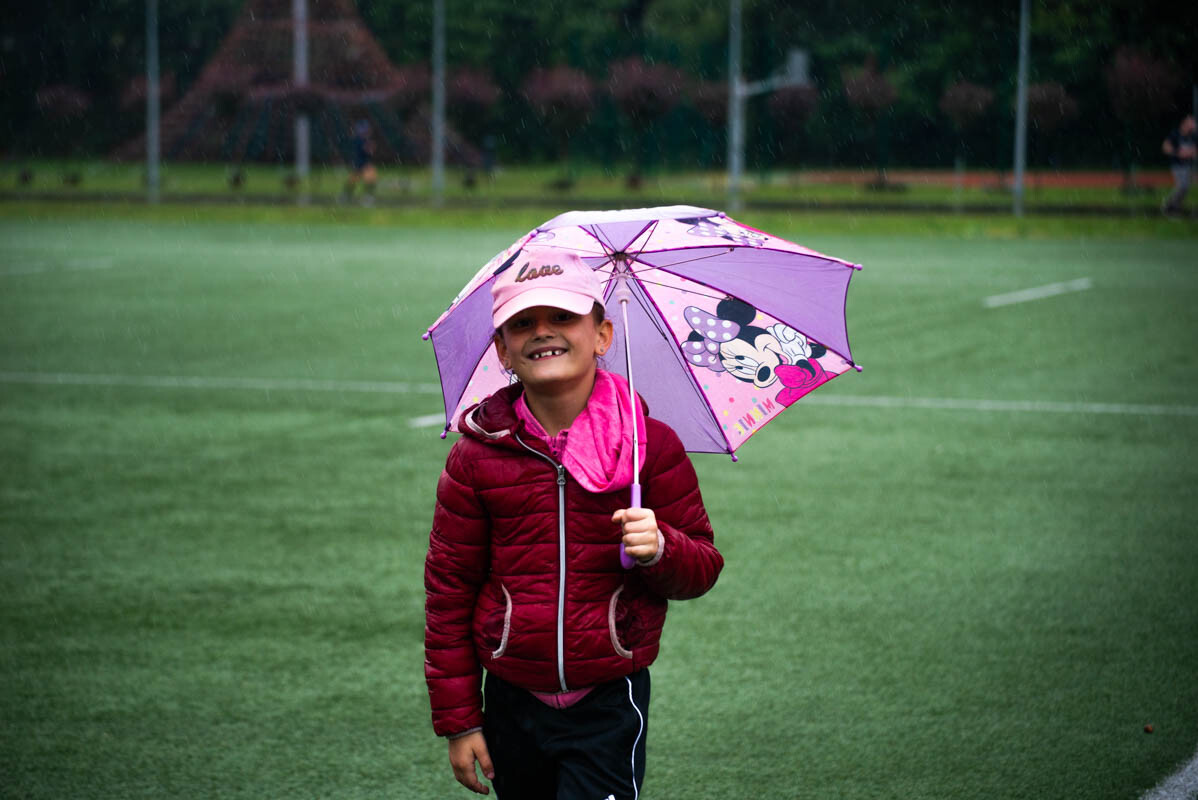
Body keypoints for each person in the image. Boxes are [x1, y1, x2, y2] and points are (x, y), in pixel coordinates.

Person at [424, 249, 724, 799]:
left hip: (608, 700)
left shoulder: (650, 446)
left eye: (563, 317)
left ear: (603, 335)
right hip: (511, 699)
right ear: (502, 351)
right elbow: (449, 593)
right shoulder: (476, 456)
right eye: (522, 323)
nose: (543, 332)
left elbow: (702, 566)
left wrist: (660, 548)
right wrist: (461, 721)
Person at [1161, 114, 1196, 216]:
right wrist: (1178, 152)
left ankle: (1175, 207)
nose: (1193, 124)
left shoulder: (1192, 136)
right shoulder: (1176, 134)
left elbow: (1194, 150)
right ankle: (1168, 205)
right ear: (1185, 123)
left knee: (1185, 188)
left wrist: (1191, 152)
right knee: (1182, 186)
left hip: (1187, 166)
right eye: (1191, 122)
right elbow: (1165, 147)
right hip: (1177, 165)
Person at [340, 119, 377, 205]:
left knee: (369, 179)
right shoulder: (359, 140)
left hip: (364, 162)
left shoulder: (362, 139)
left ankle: (366, 196)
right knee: (355, 180)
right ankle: (346, 195)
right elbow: (367, 150)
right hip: (361, 162)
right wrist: (370, 147)